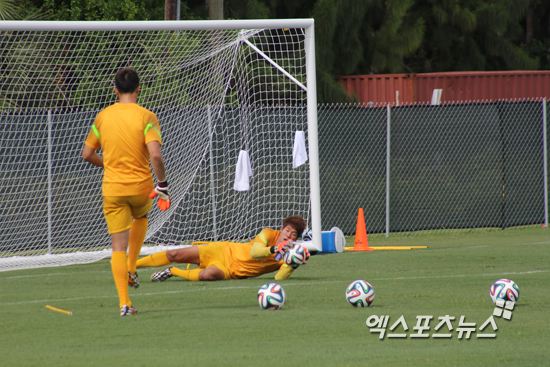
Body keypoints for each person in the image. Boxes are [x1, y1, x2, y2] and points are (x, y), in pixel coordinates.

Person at [81, 67, 170, 316]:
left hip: (113, 189)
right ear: (139, 89)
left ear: (115, 90)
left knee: (117, 248)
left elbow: (87, 154)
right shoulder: (147, 116)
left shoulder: (102, 117)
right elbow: (155, 154)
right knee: (141, 217)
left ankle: (124, 304)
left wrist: (109, 163)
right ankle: (132, 267)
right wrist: (162, 184)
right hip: (140, 187)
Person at [136, 215, 309, 282]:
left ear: (296, 238)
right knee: (174, 253)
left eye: (294, 234)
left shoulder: (288, 256)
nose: (289, 235)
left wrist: (293, 263)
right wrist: (275, 249)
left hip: (230, 270)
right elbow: (255, 253)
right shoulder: (268, 234)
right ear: (282, 229)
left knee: (207, 275)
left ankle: (173, 271)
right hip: (223, 250)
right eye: (287, 230)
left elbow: (278, 279)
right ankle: (132, 266)